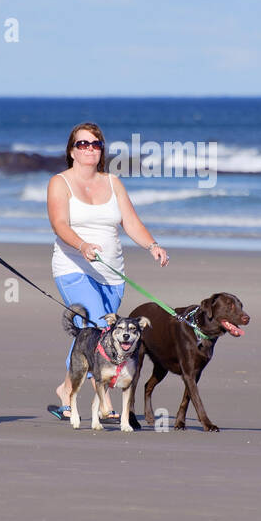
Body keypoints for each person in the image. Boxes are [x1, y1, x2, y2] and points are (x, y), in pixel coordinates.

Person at [46, 122, 169, 421]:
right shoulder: (59, 183)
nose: (89, 149)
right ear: (71, 151)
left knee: (90, 334)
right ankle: (106, 403)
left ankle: (66, 390)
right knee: (102, 327)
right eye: (82, 144)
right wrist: (82, 244)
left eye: (95, 144)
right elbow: (59, 224)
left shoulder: (113, 183)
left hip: (113, 275)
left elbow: (130, 222)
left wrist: (151, 245)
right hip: (74, 267)